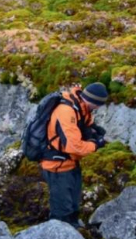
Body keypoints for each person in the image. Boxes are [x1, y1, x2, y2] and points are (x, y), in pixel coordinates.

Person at [41, 82, 109, 228]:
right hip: (57, 166)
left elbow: (85, 124)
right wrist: (95, 145)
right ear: (93, 102)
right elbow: (73, 146)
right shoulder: (67, 111)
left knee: (73, 206)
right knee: (62, 211)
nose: (98, 108)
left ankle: (73, 229)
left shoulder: (81, 107)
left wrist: (94, 131)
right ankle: (57, 233)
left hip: (71, 164)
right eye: (98, 105)